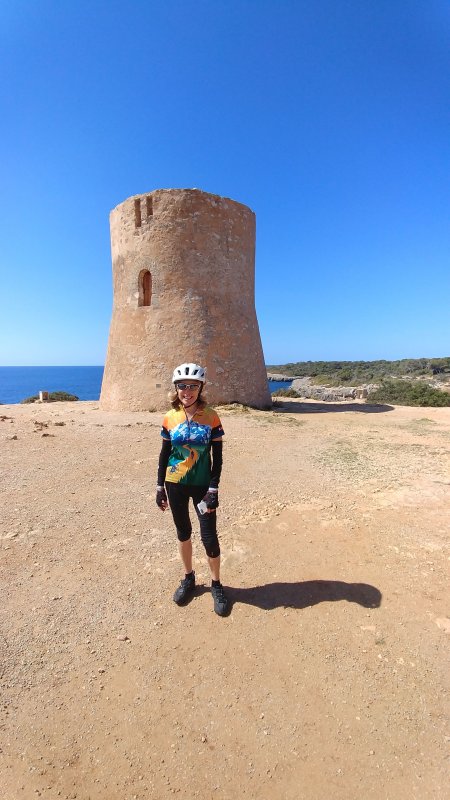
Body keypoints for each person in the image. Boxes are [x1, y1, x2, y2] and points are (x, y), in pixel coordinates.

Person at [155, 363, 229, 616]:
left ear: (201, 388)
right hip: (174, 484)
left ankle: (216, 584)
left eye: (193, 386)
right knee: (183, 533)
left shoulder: (211, 416)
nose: (187, 391)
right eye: (182, 386)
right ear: (176, 389)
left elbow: (217, 458)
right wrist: (159, 487)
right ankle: (188, 578)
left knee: (209, 537)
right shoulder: (169, 417)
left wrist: (213, 489)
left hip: (201, 486)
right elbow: (165, 454)